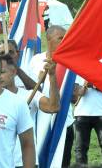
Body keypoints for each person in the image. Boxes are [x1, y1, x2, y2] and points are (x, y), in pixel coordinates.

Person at [0, 54, 60, 167]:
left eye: (2, 72)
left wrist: (52, 76)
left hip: (25, 163)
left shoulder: (29, 95)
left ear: (13, 72)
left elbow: (53, 107)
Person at [27, 25, 75, 168]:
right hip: (40, 122)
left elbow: (75, 95)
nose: (65, 41)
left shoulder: (71, 62)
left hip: (64, 122)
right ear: (49, 39)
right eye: (61, 38)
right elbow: (31, 90)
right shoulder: (36, 60)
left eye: (66, 37)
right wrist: (40, 79)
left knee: (61, 162)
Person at [73, 78, 102, 168]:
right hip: (81, 113)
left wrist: (93, 85)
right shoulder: (77, 68)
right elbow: (74, 90)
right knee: (80, 149)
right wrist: (80, 91)